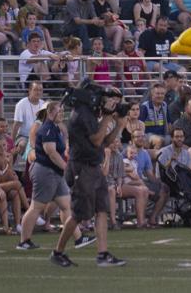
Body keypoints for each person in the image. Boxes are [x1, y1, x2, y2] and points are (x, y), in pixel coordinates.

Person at [51, 84, 127, 268]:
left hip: (93, 166)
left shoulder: (89, 113)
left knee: (102, 209)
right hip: (81, 169)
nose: (103, 101)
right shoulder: (81, 114)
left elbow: (105, 142)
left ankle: (102, 254)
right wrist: (108, 116)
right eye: (101, 97)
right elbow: (96, 139)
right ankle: (57, 252)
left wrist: (119, 126)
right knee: (78, 214)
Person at [18, 100, 77, 250]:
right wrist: (66, 168)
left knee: (66, 205)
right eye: (59, 111)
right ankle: (24, 241)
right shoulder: (48, 128)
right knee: (36, 208)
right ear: (50, 112)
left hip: (54, 172)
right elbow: (51, 153)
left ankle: (79, 238)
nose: (62, 114)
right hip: (45, 171)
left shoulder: (54, 128)